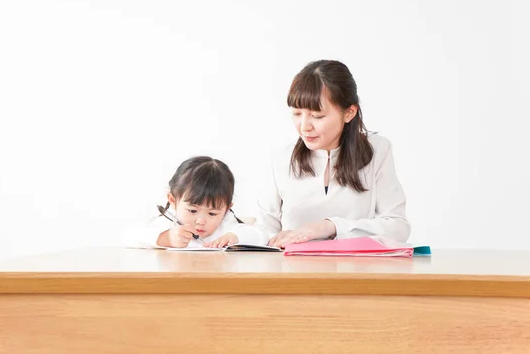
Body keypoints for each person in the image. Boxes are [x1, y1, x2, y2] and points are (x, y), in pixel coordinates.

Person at [254, 60, 411, 248]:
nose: (304, 127)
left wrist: (331, 226)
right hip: (293, 272)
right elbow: (264, 228)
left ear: (349, 113)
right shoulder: (281, 156)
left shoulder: (377, 151)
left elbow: (398, 228)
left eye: (317, 116)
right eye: (297, 114)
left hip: (355, 273)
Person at [122, 156, 260, 249]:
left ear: (227, 209)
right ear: (173, 201)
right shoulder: (168, 221)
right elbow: (129, 237)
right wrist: (166, 238)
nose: (201, 221)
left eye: (212, 213)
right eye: (192, 211)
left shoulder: (227, 223)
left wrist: (235, 237)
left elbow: (261, 235)